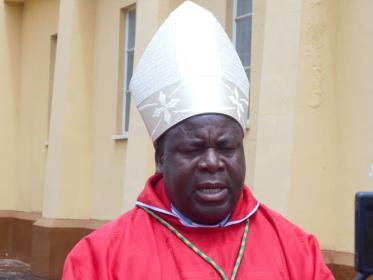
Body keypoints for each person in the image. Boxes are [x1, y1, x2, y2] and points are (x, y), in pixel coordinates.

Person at [62, 2, 334, 279]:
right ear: (160, 158)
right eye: (194, 149)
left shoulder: (297, 251)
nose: (213, 163)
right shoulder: (100, 259)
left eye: (227, 147)